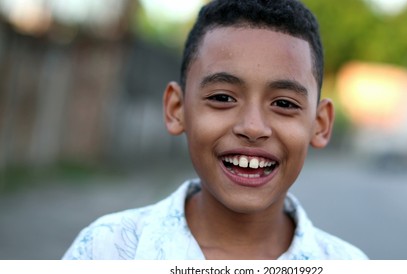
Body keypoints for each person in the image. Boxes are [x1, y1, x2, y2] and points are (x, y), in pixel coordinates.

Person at [63, 0, 367, 260]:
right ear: (176, 109)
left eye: (284, 104)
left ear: (320, 124)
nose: (253, 127)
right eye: (222, 98)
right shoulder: (107, 251)